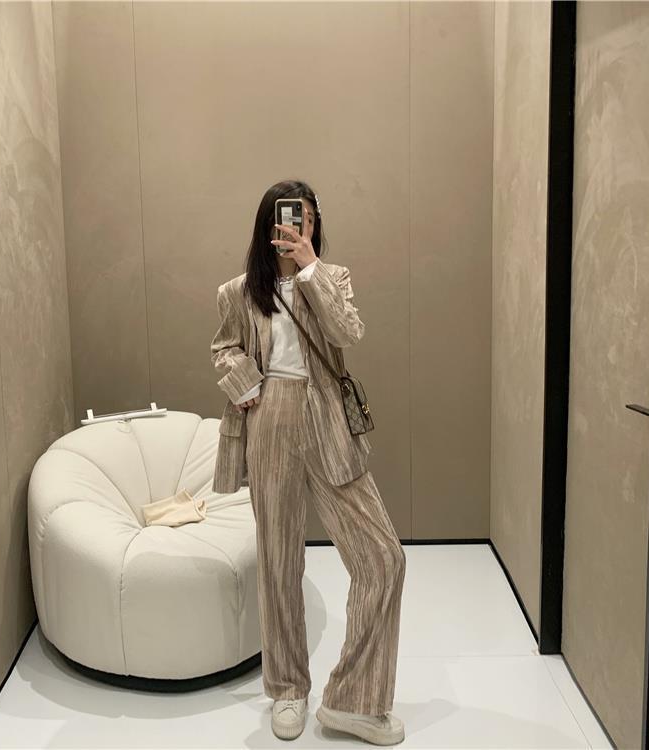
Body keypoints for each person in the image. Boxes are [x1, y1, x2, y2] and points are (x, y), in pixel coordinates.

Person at [210, 180, 406, 745]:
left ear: (316, 225)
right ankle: (288, 689)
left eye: (309, 220)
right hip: (269, 418)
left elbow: (348, 332)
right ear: (267, 225)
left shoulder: (332, 278)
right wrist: (246, 383)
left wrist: (310, 267)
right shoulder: (239, 292)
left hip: (327, 422)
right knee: (278, 562)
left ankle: (352, 701)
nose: (299, 228)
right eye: (289, 219)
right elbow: (224, 347)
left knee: (383, 558)